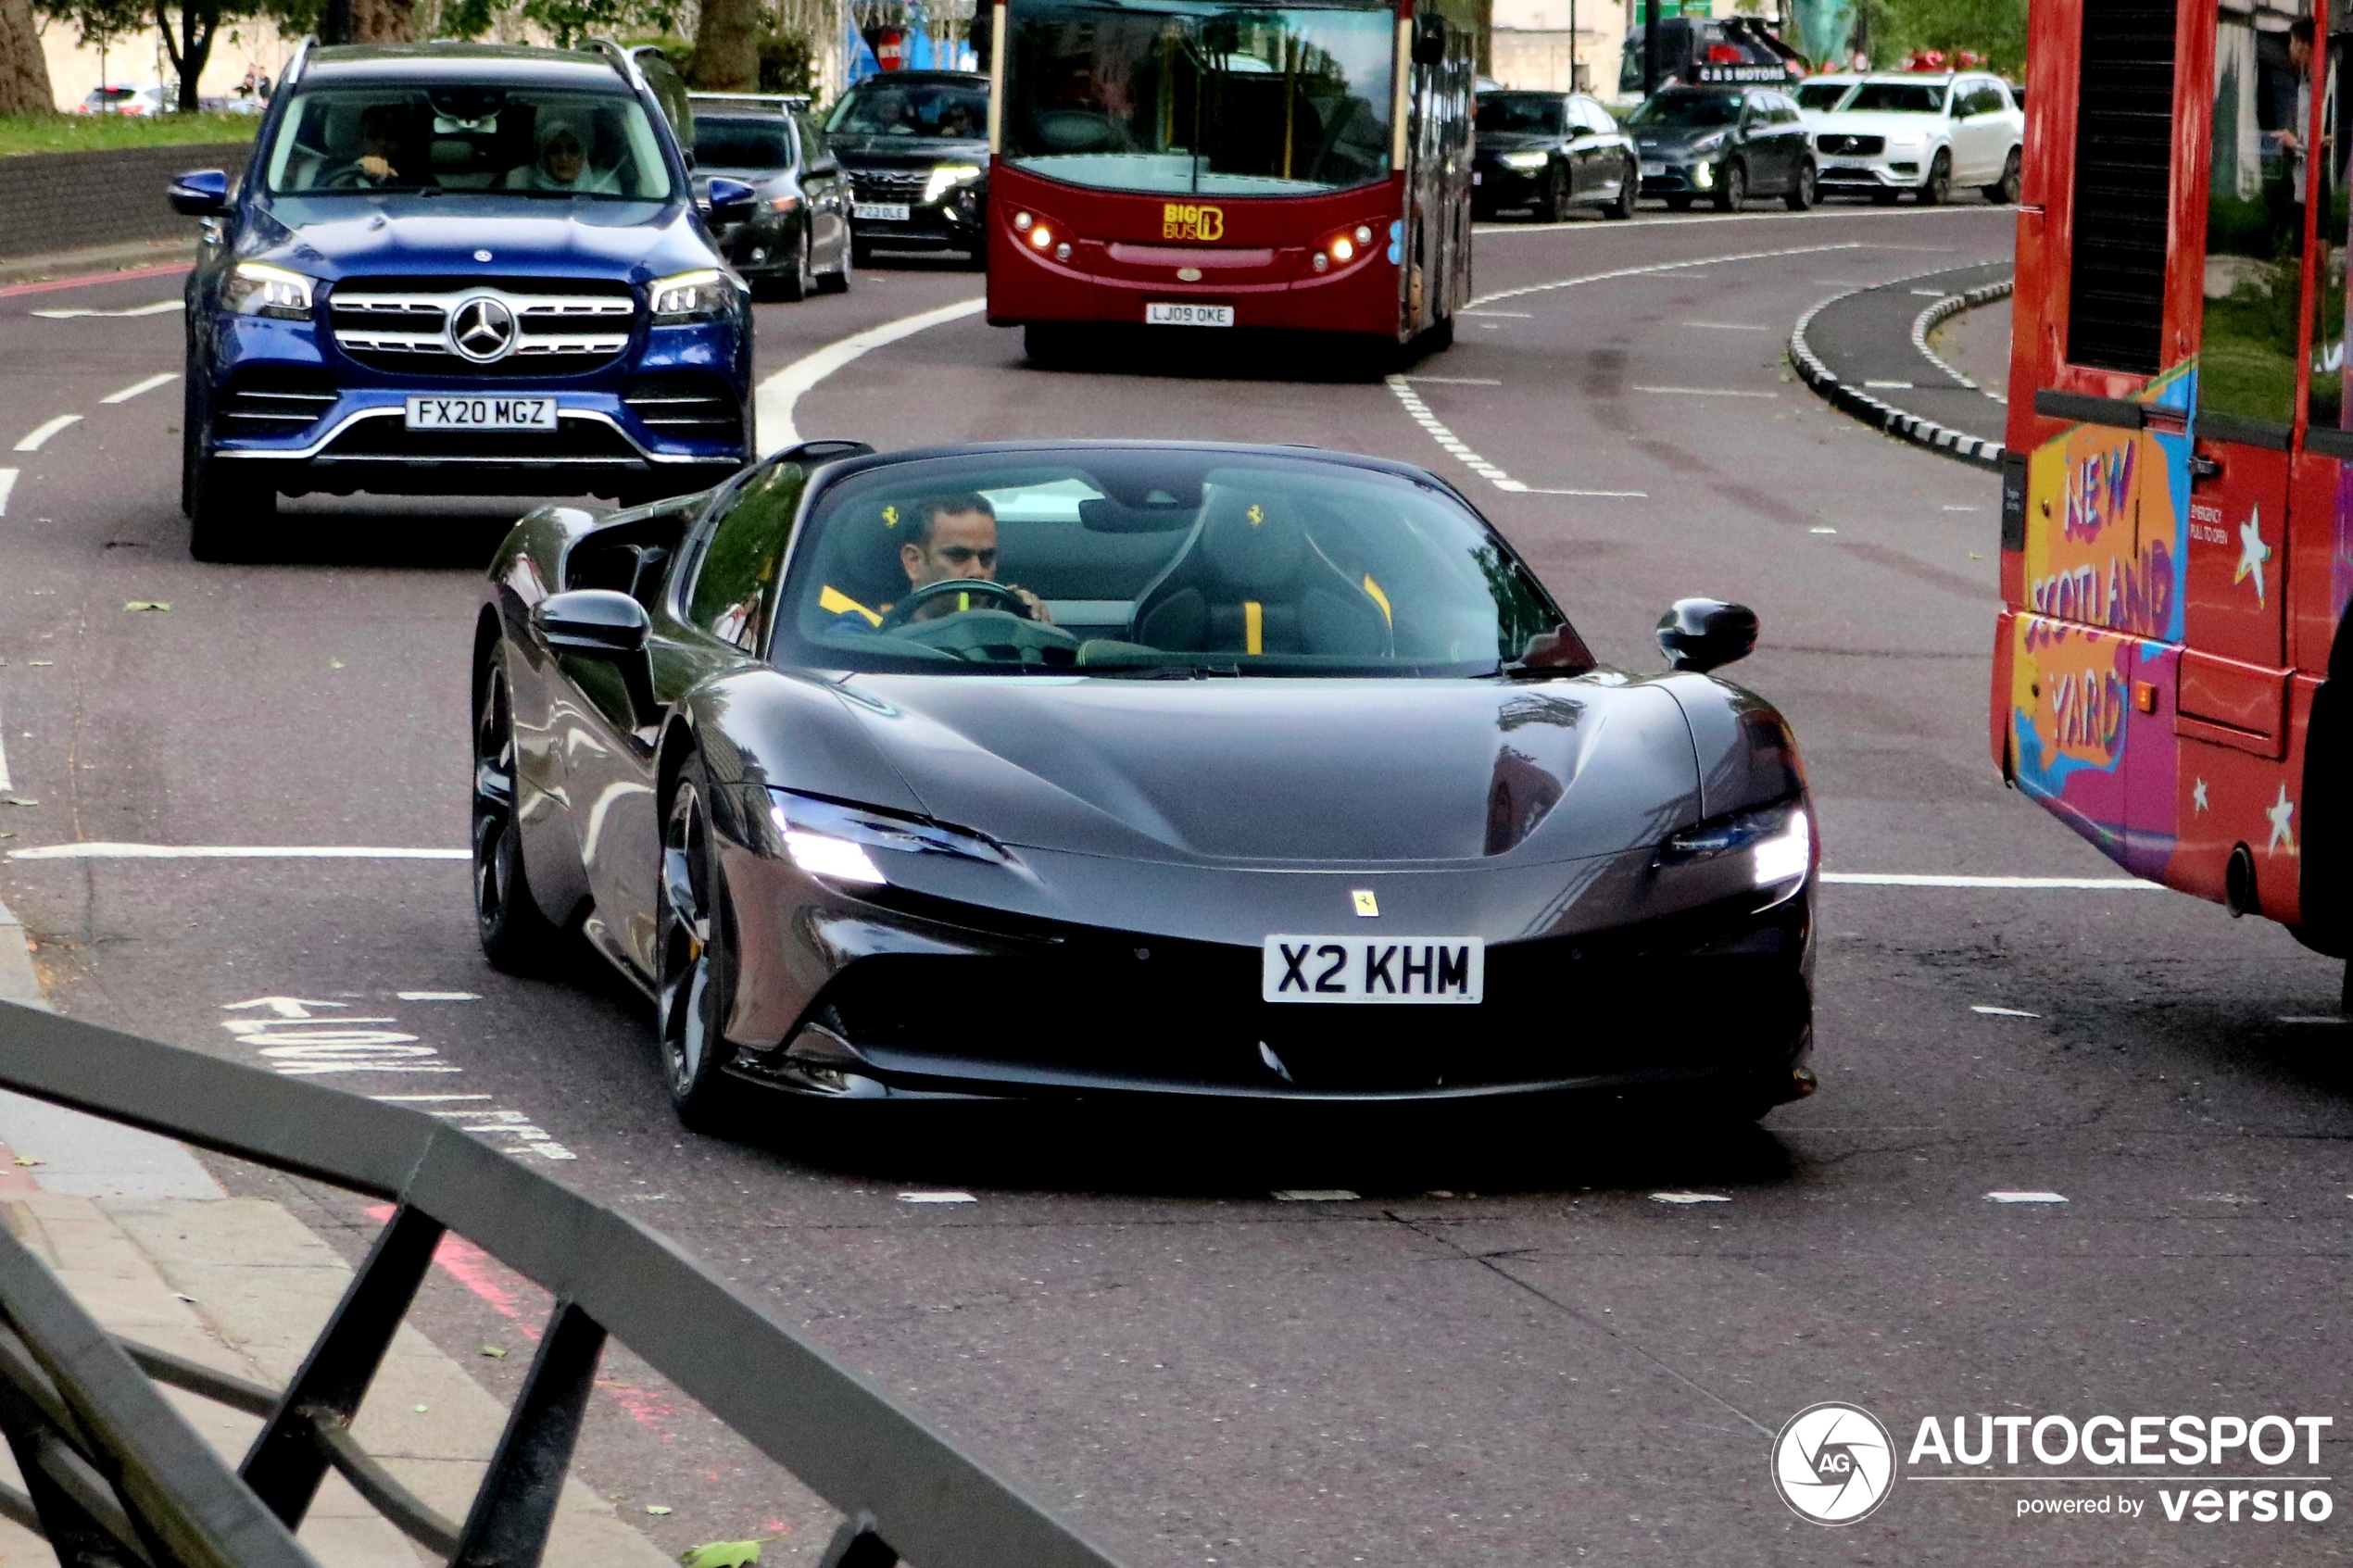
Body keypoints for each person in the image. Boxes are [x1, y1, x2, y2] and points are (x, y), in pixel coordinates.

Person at [894, 494, 1053, 623]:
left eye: (986, 557)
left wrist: (1034, 630)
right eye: (958, 556)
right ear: (914, 561)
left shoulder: (1007, 630)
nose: (977, 572)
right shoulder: (879, 644)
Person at [507, 113, 621, 194]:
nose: (564, 157)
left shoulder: (605, 190)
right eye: (555, 150)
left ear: (583, 157)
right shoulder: (520, 189)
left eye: (573, 150)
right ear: (544, 158)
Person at [333, 104, 411, 188]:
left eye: (390, 135)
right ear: (361, 143)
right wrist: (355, 170)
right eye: (373, 136)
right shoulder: (332, 167)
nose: (382, 143)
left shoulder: (417, 174)